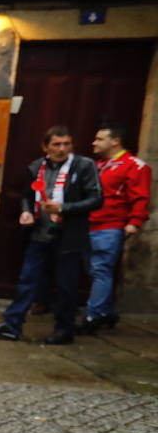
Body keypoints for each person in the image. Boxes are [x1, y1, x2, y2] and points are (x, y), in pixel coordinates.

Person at [0, 127, 101, 344]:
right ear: (45, 147)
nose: (62, 149)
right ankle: (12, 324)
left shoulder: (84, 166)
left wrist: (64, 208)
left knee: (66, 285)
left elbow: (96, 199)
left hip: (69, 235)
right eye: (56, 144)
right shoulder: (37, 167)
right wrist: (26, 211)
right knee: (27, 279)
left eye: (66, 144)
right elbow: (27, 195)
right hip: (40, 233)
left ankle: (64, 329)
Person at [78, 122, 151, 333]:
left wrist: (134, 223)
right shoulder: (98, 165)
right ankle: (106, 312)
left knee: (101, 269)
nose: (94, 142)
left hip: (111, 226)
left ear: (115, 141)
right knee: (93, 270)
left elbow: (140, 197)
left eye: (100, 139)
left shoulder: (134, 166)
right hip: (89, 224)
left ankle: (92, 316)